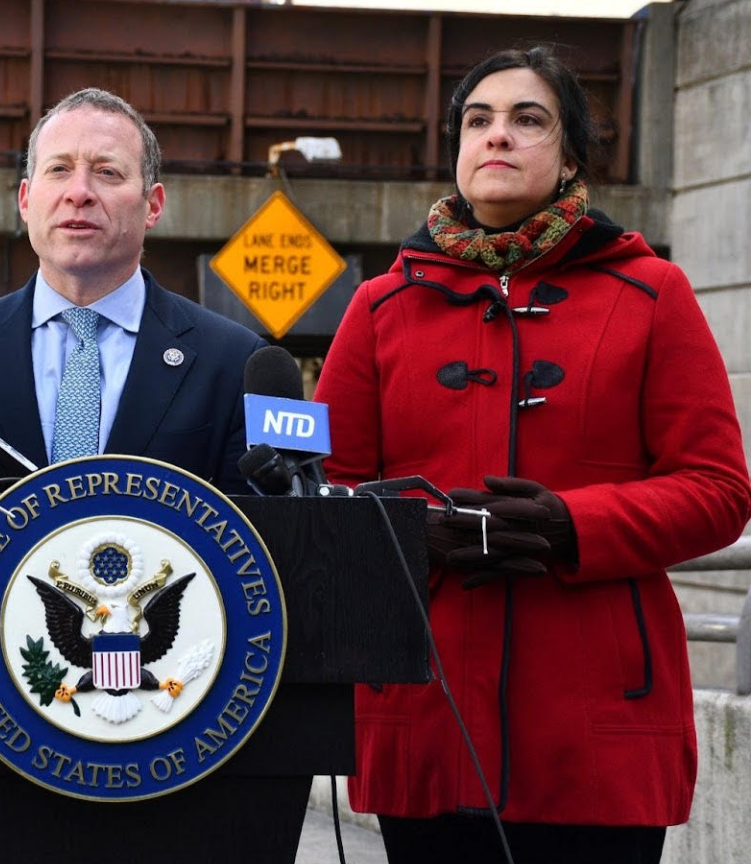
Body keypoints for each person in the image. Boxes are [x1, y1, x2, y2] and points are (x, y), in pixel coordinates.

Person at [314, 46, 751, 864]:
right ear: (456, 149)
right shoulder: (380, 307)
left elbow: (719, 488)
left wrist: (570, 525)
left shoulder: (654, 294)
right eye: (477, 120)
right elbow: (320, 494)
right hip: (426, 713)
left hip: (600, 731)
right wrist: (411, 533)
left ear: (569, 155)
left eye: (527, 119)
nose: (498, 136)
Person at [0, 87, 264, 489]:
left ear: (152, 205)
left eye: (107, 172)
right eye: (59, 169)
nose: (79, 193)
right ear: (26, 200)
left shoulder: (233, 363)